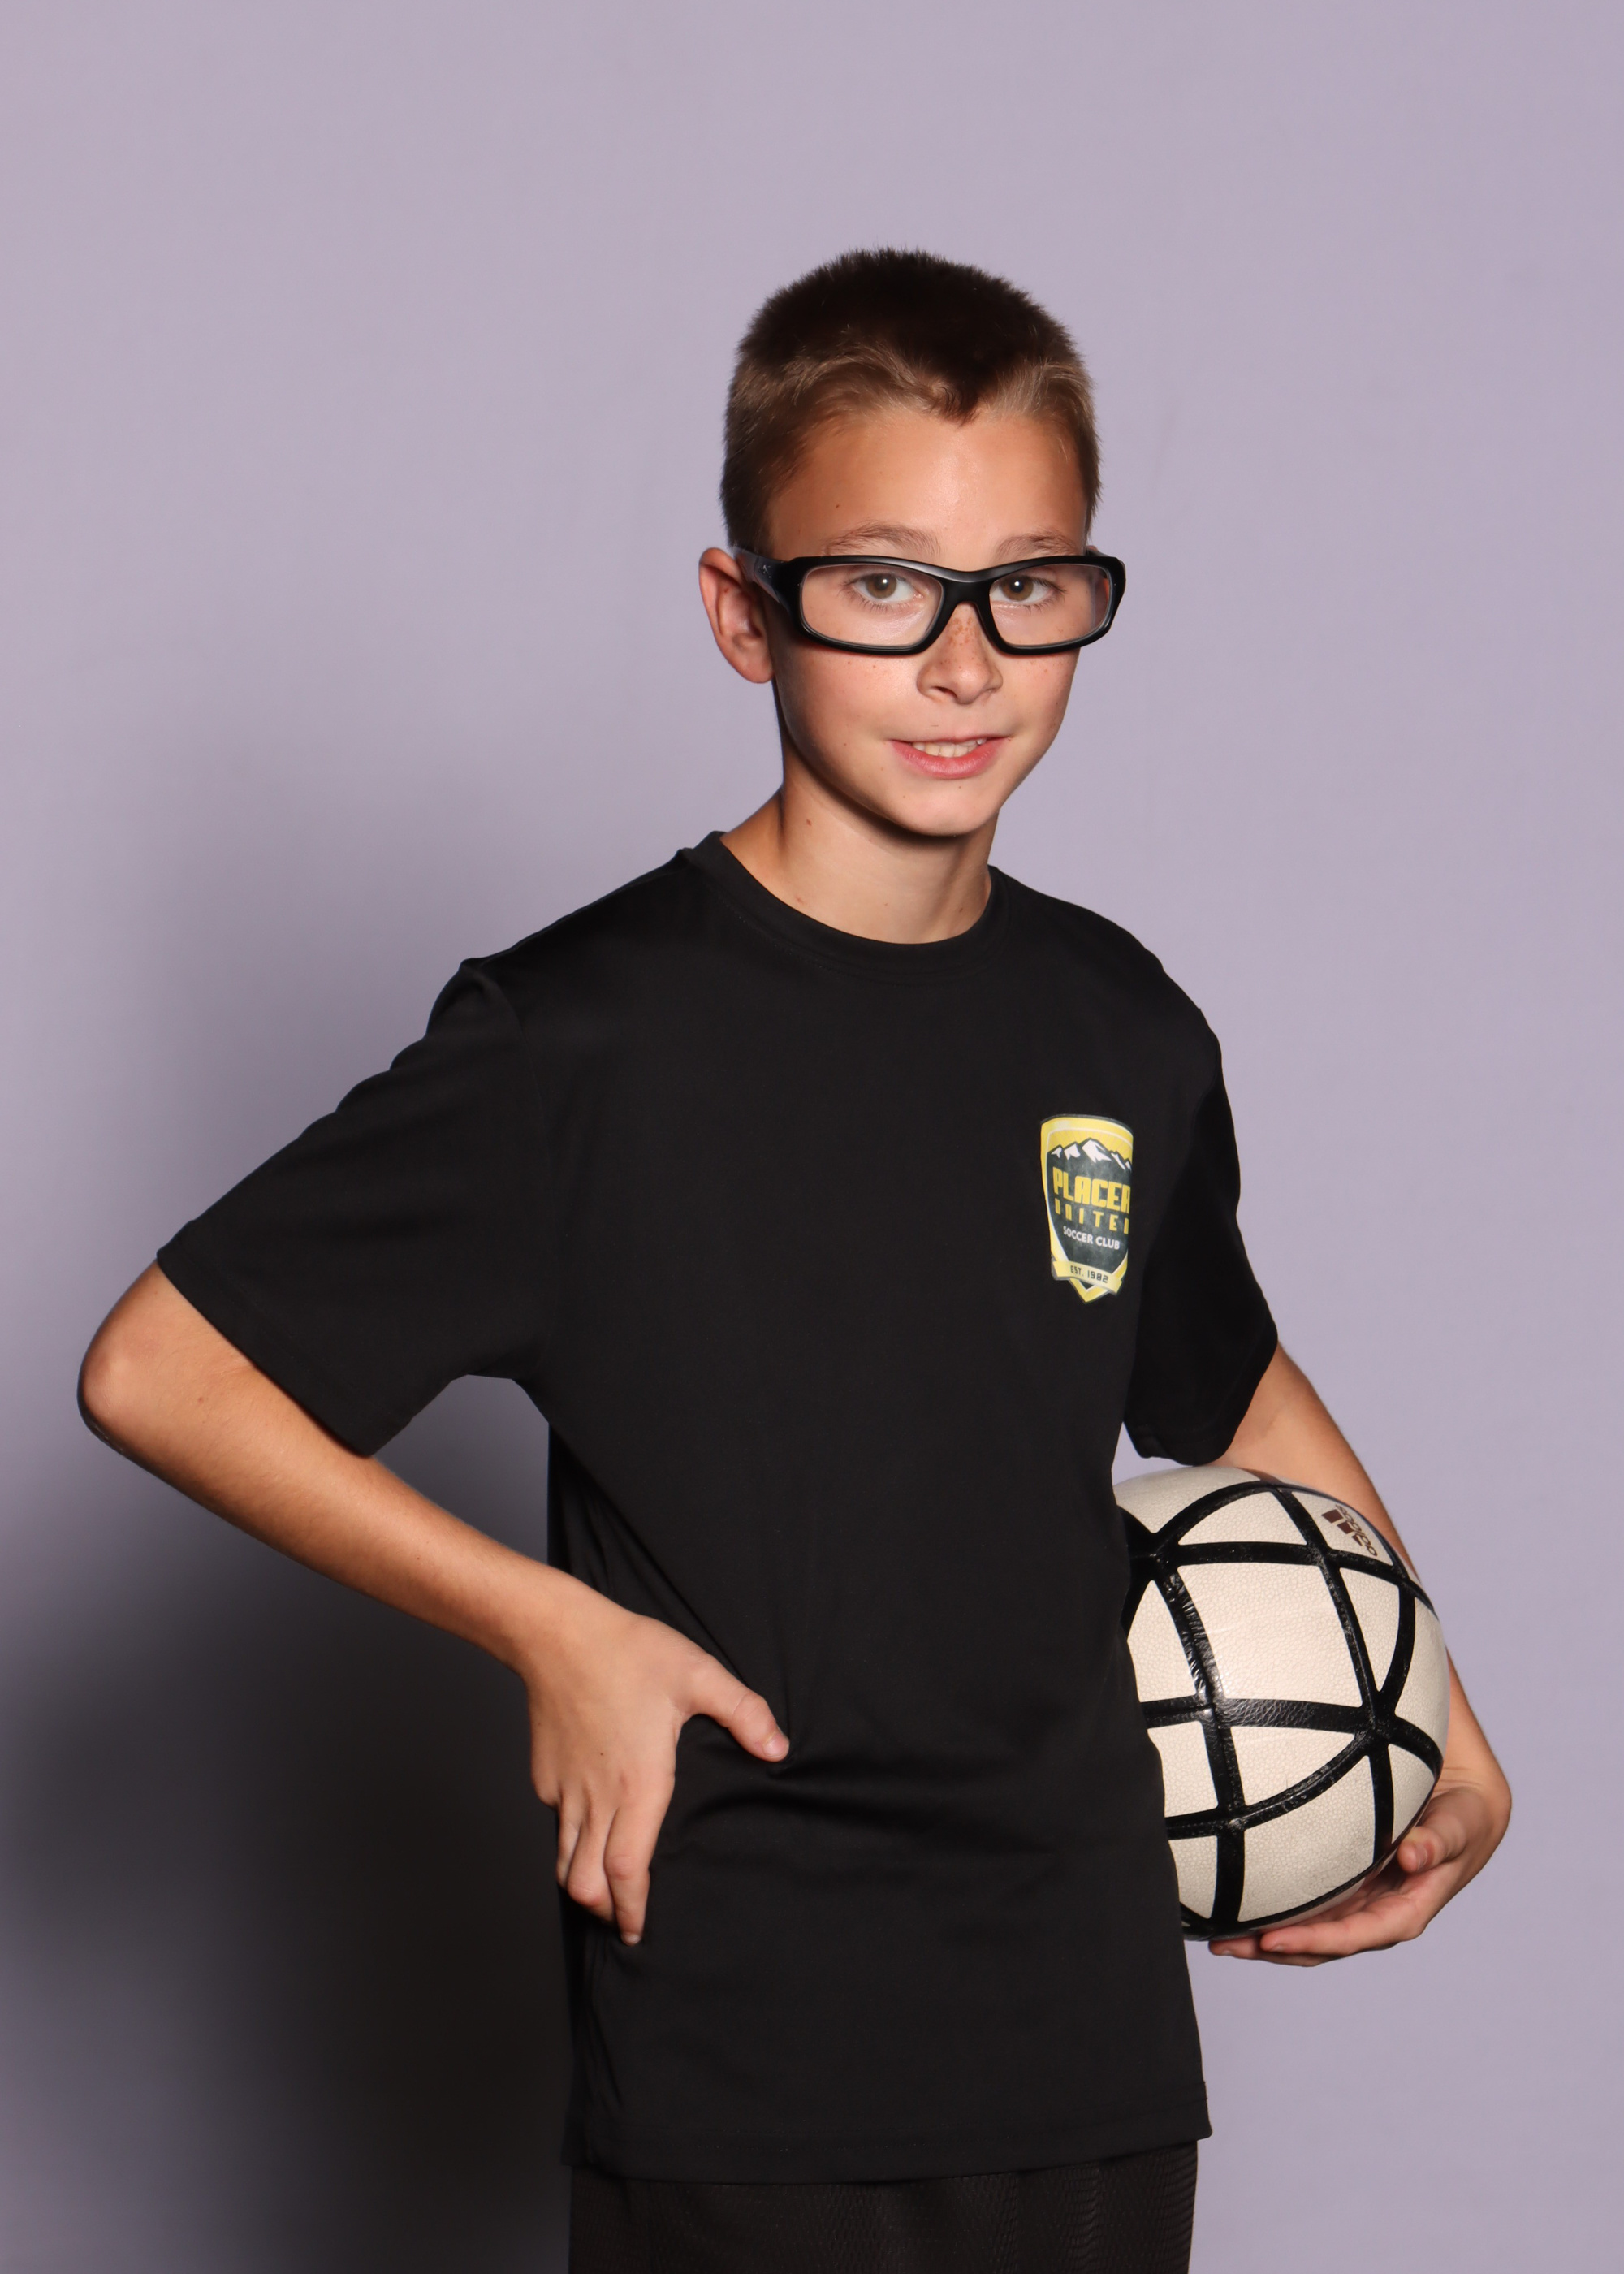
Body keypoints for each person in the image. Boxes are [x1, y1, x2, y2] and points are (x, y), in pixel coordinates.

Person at [79, 249, 1510, 2274]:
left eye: (1029, 584)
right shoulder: (583, 1041)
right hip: (747, 2060)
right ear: (742, 610)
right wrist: (549, 1627)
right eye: (882, 586)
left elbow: (1226, 1383)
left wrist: (1429, 1698)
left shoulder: (1119, 1027)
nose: (964, 661)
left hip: (1091, 2036)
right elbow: (160, 1368)